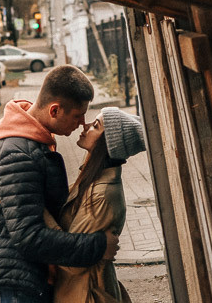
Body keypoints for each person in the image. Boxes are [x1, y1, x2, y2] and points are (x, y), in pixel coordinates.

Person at [0, 65, 120, 303]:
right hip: (12, 287)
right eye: (77, 115)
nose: (81, 123)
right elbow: (28, 237)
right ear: (54, 110)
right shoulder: (18, 154)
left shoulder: (34, 145)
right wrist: (97, 247)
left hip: (23, 280)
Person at [51, 107, 146, 303]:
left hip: (86, 294)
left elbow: (73, 262)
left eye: (95, 126)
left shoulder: (101, 194)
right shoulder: (91, 181)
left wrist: (38, 211)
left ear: (107, 144)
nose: (85, 126)